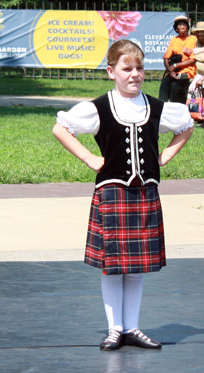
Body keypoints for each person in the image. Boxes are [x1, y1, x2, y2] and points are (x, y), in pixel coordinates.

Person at [52, 40, 193, 351]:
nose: (135, 74)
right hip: (113, 192)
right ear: (111, 71)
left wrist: (165, 156)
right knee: (114, 264)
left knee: (136, 265)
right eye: (127, 69)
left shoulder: (157, 107)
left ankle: (132, 327)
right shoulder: (99, 107)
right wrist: (89, 159)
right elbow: (61, 129)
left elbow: (186, 127)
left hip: (145, 193)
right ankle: (114, 328)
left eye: (140, 68)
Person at [159, 15, 196, 104]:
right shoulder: (174, 40)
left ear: (187, 27)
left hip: (187, 72)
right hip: (173, 71)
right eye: (179, 25)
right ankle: (161, 108)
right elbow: (166, 58)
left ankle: (175, 108)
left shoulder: (193, 39)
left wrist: (176, 65)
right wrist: (169, 71)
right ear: (176, 29)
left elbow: (193, 59)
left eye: (184, 24)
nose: (182, 26)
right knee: (164, 84)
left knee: (175, 85)